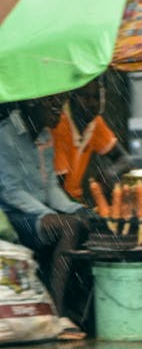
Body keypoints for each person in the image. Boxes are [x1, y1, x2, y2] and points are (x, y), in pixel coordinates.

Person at [0, 94, 90, 336]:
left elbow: (50, 186)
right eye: (52, 106)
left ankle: (77, 310)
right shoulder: (6, 135)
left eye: (60, 107)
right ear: (31, 103)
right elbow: (11, 192)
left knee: (82, 223)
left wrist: (76, 209)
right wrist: (49, 215)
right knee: (68, 228)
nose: (58, 113)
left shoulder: (45, 137)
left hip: (36, 212)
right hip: (13, 215)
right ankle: (58, 313)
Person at [52, 77, 130, 203]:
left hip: (75, 201)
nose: (92, 103)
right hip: (57, 205)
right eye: (85, 97)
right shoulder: (59, 125)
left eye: (97, 97)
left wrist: (111, 173)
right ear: (72, 97)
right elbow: (56, 190)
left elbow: (126, 159)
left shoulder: (95, 123)